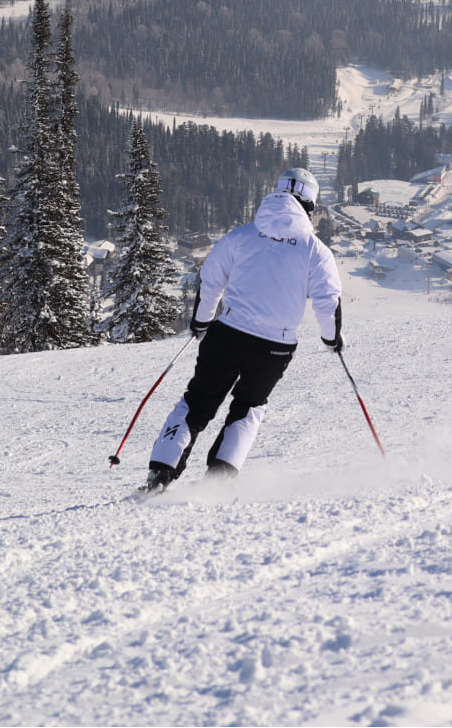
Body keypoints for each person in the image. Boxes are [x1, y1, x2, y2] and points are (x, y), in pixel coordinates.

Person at [143, 168, 343, 492]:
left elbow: (210, 280)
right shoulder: (315, 250)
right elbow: (328, 300)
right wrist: (331, 339)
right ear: (310, 204)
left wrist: (201, 321)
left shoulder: (243, 235)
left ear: (276, 194)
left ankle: (160, 473)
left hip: (227, 334)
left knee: (197, 403)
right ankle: (218, 481)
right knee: (249, 406)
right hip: (275, 347)